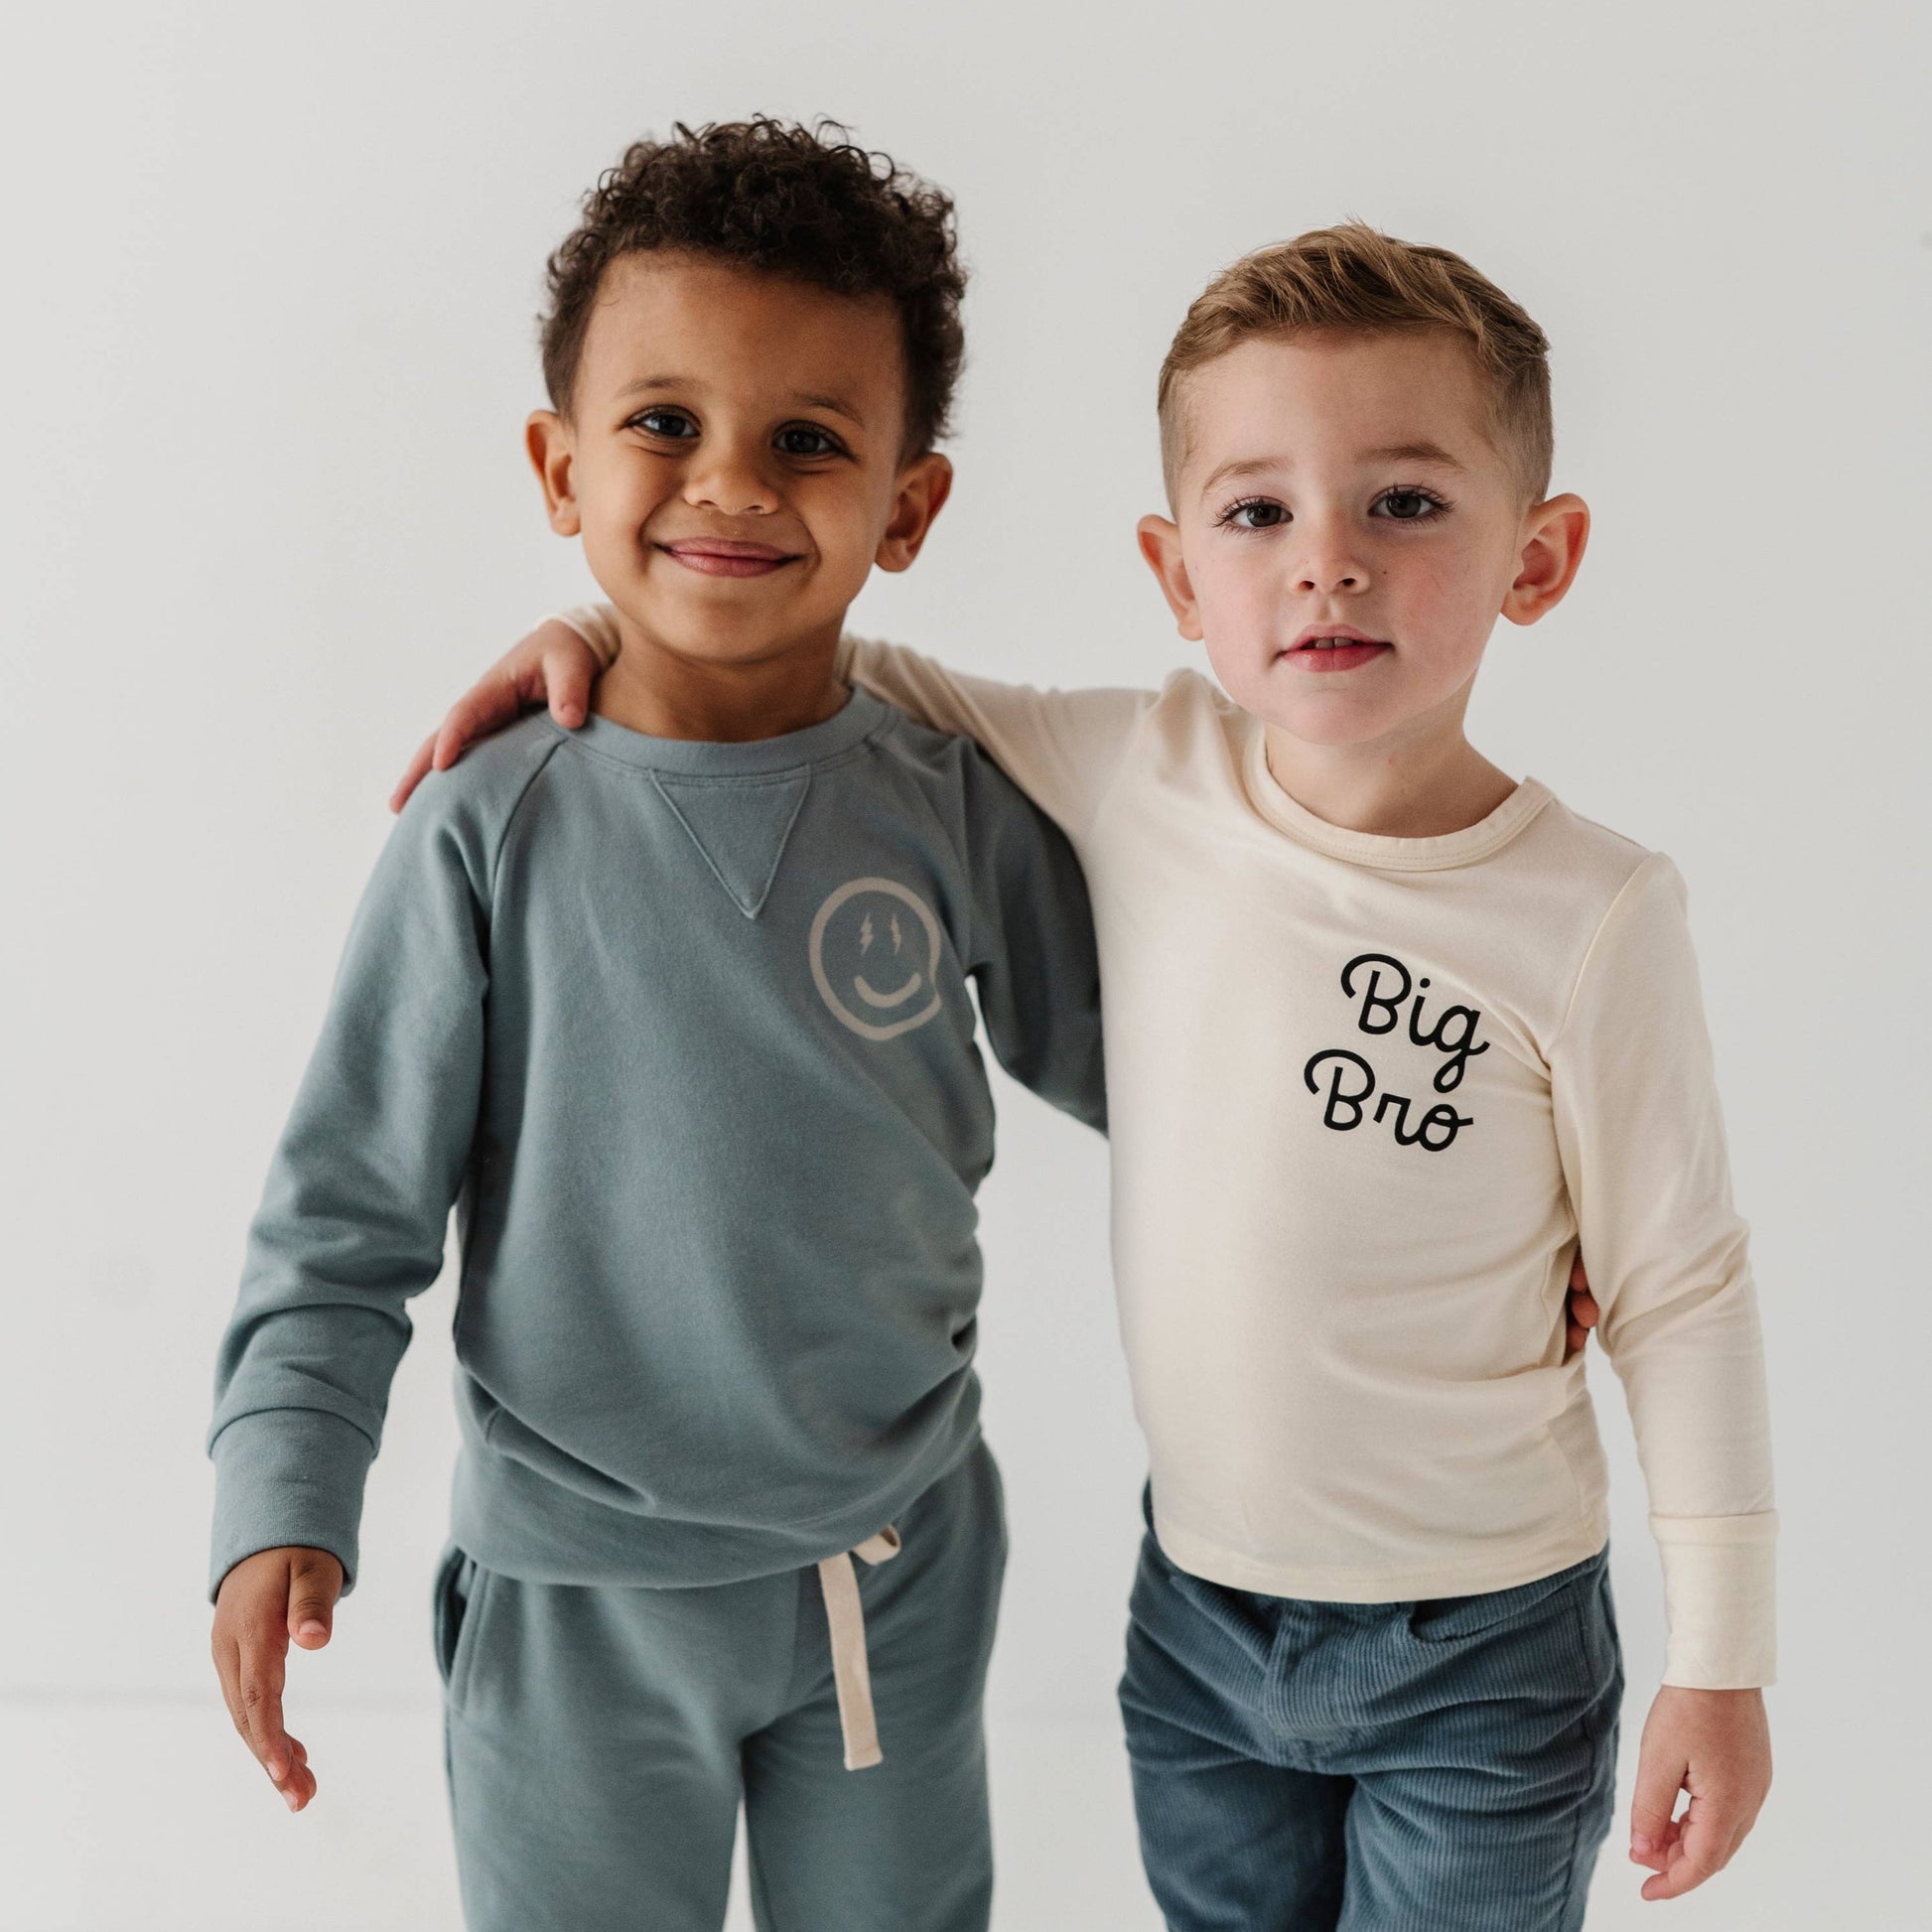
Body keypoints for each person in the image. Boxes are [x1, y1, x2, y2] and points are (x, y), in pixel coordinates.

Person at [415, 223, 1771, 1929]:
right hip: (1199, 1624)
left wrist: (1719, 1659)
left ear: (1539, 553)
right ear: (1173, 567)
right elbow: (827, 665)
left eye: (1406, 503)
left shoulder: (1590, 909)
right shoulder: (1140, 767)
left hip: (1478, 1645)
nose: (1326, 564)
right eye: (1258, 511)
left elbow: (1685, 1289)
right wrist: (589, 631)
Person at [206, 118, 1108, 1932]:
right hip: (574, 1600)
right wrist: (279, 1488)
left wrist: (1460, 1215)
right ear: (559, 465)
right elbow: (344, 1209)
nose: (732, 484)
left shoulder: (947, 800)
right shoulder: (486, 823)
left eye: (808, 440)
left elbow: (1176, 1074)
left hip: (897, 1564)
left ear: (907, 508)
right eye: (663, 423)